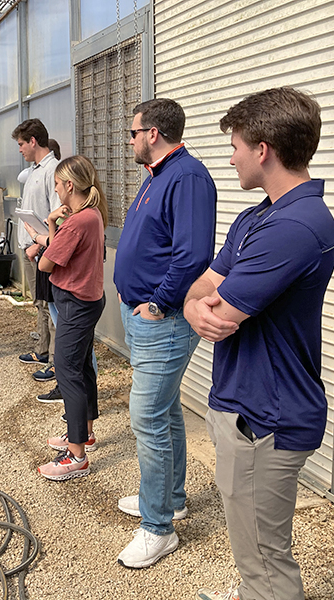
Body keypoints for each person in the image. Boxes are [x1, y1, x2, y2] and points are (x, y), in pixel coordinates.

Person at [184, 87, 334, 600]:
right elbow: (204, 286)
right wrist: (192, 301)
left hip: (264, 416)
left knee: (265, 558)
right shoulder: (259, 217)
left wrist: (203, 301)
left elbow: (221, 314)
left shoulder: (295, 225)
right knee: (253, 548)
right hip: (247, 403)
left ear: (263, 148)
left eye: (235, 145)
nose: (230, 157)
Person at [113, 99, 217, 568]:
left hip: (163, 320)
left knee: (147, 418)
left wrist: (158, 302)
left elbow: (192, 254)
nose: (130, 141)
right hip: (143, 317)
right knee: (165, 410)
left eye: (133, 133)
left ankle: (158, 528)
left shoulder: (187, 177)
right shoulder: (158, 177)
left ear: (153, 133)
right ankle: (171, 499)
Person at [35, 155, 107, 481]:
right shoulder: (91, 215)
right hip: (88, 300)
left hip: (76, 303)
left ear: (69, 185)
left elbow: (45, 263)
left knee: (67, 372)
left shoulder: (78, 221)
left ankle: (76, 454)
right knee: (82, 367)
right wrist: (52, 224)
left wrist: (50, 231)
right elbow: (59, 250)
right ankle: (85, 433)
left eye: (57, 185)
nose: (56, 190)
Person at [13, 119, 61, 382]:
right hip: (32, 249)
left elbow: (57, 216)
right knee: (42, 304)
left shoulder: (52, 170)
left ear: (33, 141)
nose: (19, 149)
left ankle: (56, 363)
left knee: (52, 306)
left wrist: (37, 244)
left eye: (21, 144)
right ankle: (44, 351)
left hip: (43, 251)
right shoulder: (35, 170)